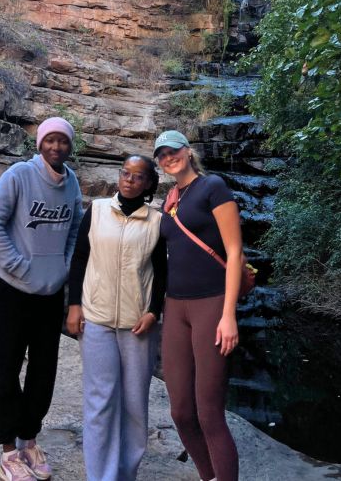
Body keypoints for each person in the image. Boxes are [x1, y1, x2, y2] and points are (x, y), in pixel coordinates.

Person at [0, 117, 83, 481]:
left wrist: (63, 267)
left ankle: (29, 441)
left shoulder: (72, 185)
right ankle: (8, 451)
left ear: (70, 146)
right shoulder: (19, 176)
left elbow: (74, 232)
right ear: (40, 144)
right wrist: (20, 266)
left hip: (50, 294)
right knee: (5, 369)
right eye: (50, 140)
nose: (56, 146)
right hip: (11, 291)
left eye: (63, 141)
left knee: (43, 372)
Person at [66, 155, 167, 481]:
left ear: (149, 183)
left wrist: (154, 311)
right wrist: (74, 305)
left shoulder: (156, 221)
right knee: (100, 403)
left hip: (137, 324)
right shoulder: (95, 211)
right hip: (96, 319)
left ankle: (125, 473)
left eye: (138, 177)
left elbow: (162, 272)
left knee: (135, 405)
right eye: (126, 173)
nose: (129, 180)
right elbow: (80, 258)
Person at [154, 130, 242, 481]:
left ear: (188, 152)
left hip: (212, 304)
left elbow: (234, 252)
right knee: (180, 411)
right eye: (161, 154)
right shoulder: (170, 198)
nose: (167, 158)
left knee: (209, 412)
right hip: (175, 308)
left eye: (173, 151)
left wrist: (229, 315)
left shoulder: (213, 187)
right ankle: (209, 476)